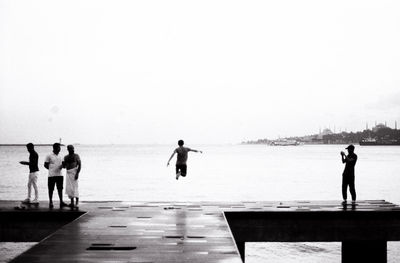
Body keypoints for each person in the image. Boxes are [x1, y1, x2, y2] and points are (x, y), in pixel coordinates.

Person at [44, 143, 68, 209]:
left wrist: (63, 166)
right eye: (58, 147)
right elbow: (45, 165)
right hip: (51, 175)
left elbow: (64, 165)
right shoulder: (49, 155)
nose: (59, 149)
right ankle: (51, 201)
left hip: (60, 175)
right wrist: (51, 169)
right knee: (51, 189)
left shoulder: (61, 156)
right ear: (54, 148)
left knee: (60, 189)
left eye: (60, 147)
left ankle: (61, 201)